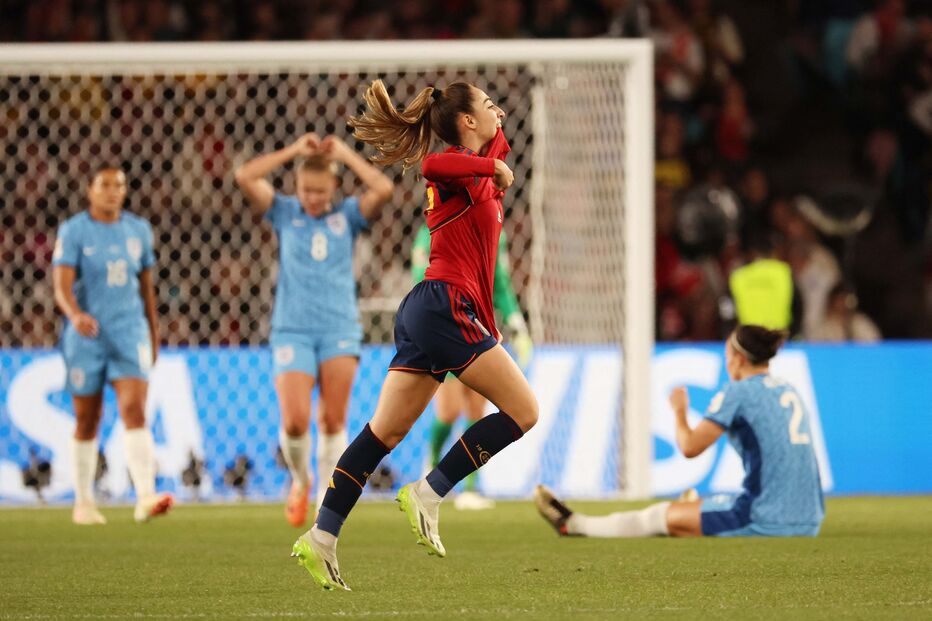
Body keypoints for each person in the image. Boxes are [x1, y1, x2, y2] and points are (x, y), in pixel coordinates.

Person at [291, 80, 539, 590]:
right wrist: (489, 163)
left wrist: (492, 153)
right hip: (446, 305)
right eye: (488, 104)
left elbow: (497, 149)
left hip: (433, 310)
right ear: (466, 122)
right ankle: (430, 491)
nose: (499, 109)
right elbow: (432, 164)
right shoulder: (455, 170)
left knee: (384, 433)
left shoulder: (481, 168)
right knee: (524, 412)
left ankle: (321, 536)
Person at [234, 133, 393, 527]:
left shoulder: (348, 216)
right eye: (307, 190)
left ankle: (325, 493)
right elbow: (245, 176)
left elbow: (383, 187)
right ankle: (301, 479)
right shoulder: (285, 211)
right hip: (293, 329)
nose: (314, 198)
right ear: (297, 186)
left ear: (334, 187)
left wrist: (345, 154)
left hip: (339, 327)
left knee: (333, 421)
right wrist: (292, 152)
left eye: (321, 191)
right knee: (294, 421)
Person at [536, 324, 824, 539]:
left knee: (657, 516)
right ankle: (693, 514)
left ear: (737, 357)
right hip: (811, 518)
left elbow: (689, 447)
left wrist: (679, 411)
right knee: (700, 506)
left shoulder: (738, 392)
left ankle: (575, 525)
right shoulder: (789, 389)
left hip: (768, 519)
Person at [52, 165, 173, 525]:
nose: (112, 191)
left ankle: (146, 495)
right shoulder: (74, 231)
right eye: (104, 185)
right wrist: (75, 315)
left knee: (135, 409)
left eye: (119, 185)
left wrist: (153, 333)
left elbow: (147, 288)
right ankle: (84, 502)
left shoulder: (138, 230)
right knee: (87, 419)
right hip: (86, 336)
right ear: (89, 190)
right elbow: (61, 283)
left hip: (129, 330)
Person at [411, 224, 533, 511]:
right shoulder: (431, 228)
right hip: (446, 324)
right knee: (449, 410)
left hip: (478, 329)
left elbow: (499, 281)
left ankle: (469, 487)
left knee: (476, 411)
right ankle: (429, 465)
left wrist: (516, 321)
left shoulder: (495, 230)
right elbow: (420, 277)